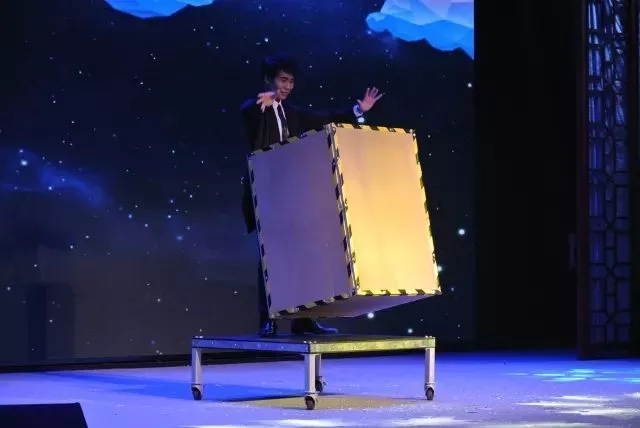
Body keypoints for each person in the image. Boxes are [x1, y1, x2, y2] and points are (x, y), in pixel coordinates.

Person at [240, 53, 383, 337]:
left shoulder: (293, 113)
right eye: (283, 80)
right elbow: (249, 112)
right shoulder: (257, 108)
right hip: (266, 193)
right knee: (271, 257)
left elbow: (325, 117)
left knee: (305, 255)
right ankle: (268, 319)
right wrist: (267, 99)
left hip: (294, 194)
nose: (287, 86)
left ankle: (304, 320)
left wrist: (359, 109)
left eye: (291, 81)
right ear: (269, 80)